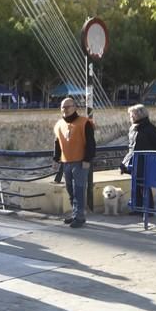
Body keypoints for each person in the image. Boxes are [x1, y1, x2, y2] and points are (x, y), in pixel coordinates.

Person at [53, 97, 96, 228]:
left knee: (79, 190)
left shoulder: (84, 122)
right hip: (66, 162)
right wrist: (56, 159)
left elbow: (91, 143)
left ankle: (80, 217)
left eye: (68, 107)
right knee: (70, 190)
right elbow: (57, 142)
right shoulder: (59, 124)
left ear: (75, 107)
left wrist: (87, 159)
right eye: (62, 107)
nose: (65, 110)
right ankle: (75, 214)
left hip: (80, 161)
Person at [120, 104, 156, 210]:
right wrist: (124, 163)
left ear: (139, 115)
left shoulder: (151, 129)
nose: (130, 118)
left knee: (144, 185)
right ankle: (137, 207)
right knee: (136, 185)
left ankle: (148, 209)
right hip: (135, 161)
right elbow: (131, 147)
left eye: (132, 115)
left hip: (146, 161)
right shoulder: (133, 128)